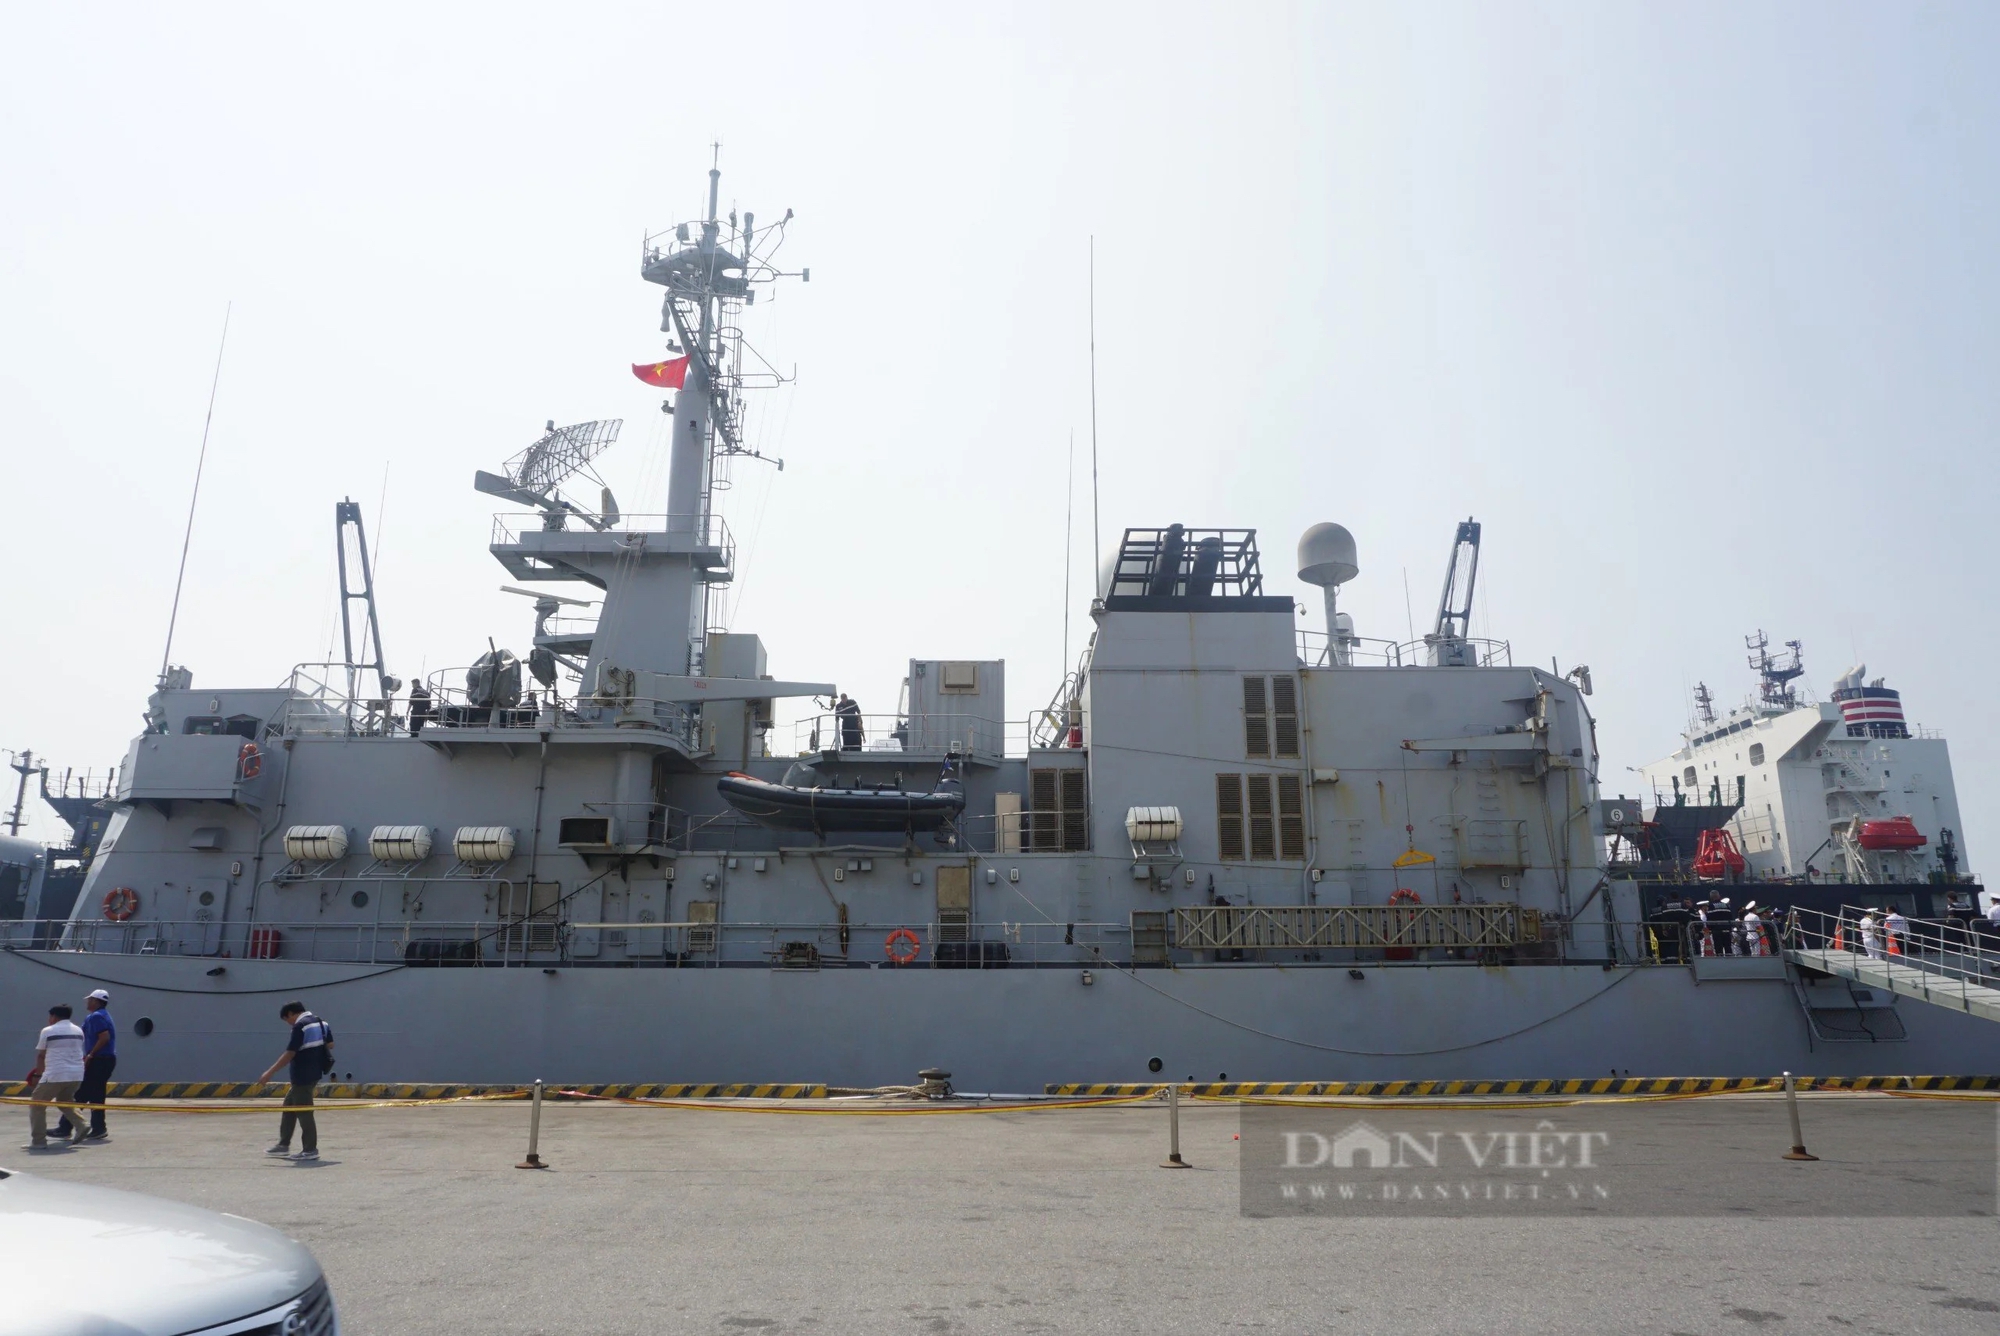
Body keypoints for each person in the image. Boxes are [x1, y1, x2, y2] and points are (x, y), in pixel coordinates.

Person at [255, 1001, 333, 1161]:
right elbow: (330, 1045)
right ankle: (283, 1145)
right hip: (315, 1072)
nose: (289, 1023)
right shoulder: (321, 1023)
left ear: (291, 1013)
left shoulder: (300, 1026)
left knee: (304, 1112)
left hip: (302, 1076)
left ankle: (310, 1149)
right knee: (289, 1107)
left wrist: (270, 1072)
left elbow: (289, 1053)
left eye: (287, 1020)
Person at [24, 1004, 86, 1151]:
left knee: (37, 1105)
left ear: (54, 1017)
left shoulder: (48, 1031)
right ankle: (82, 1125)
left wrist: (38, 1075)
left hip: (56, 1074)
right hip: (77, 1074)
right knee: (65, 1101)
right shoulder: (79, 1030)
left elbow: (41, 1055)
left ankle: (38, 1141)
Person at [58, 989, 115, 1142]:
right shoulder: (99, 1016)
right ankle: (98, 1128)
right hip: (104, 1060)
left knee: (82, 1093)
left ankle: (66, 1127)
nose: (87, 1002)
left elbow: (104, 1037)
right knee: (96, 1095)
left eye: (89, 1000)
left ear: (95, 1001)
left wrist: (90, 1055)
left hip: (99, 1060)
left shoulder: (96, 1017)